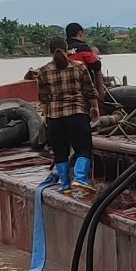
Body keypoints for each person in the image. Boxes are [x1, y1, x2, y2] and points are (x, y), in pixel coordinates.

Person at [26, 36, 98, 195]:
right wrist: (94, 107)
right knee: (83, 148)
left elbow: (43, 99)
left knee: (60, 152)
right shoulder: (79, 67)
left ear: (49, 51)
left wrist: (47, 117)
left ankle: (65, 185)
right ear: (67, 49)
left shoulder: (44, 71)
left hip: (55, 119)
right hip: (77, 115)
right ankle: (79, 178)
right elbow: (90, 91)